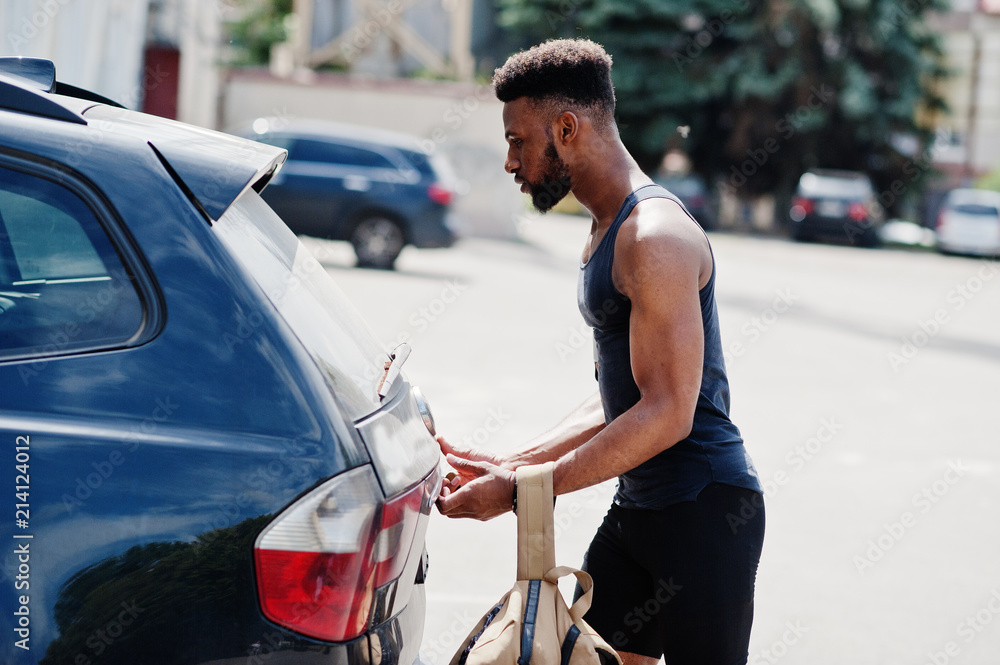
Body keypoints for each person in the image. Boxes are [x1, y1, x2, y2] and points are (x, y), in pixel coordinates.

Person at [436, 38, 765, 665]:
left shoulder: (654, 235)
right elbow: (624, 393)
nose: (511, 161)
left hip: (704, 514)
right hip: (639, 510)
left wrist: (521, 493)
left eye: (517, 140)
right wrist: (512, 462)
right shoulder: (605, 226)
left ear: (567, 127)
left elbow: (669, 409)